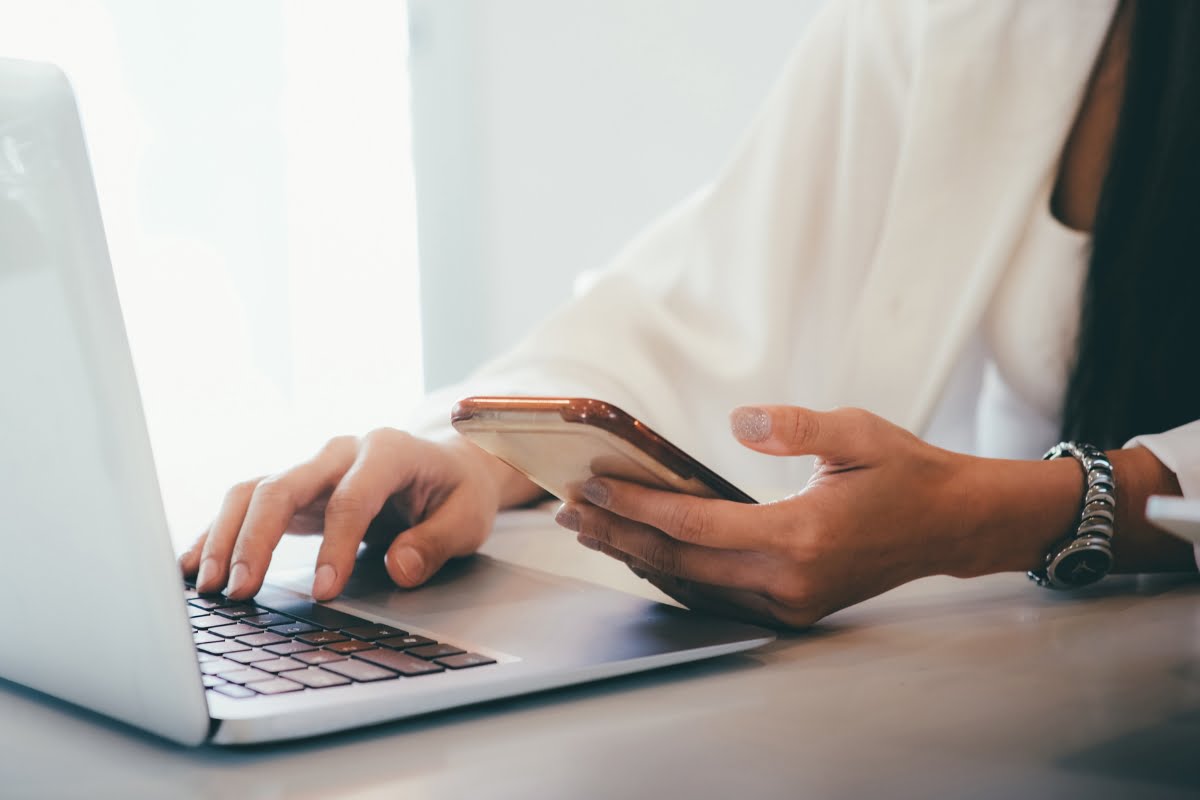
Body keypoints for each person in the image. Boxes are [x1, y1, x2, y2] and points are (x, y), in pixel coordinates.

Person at [180, 0, 1200, 628]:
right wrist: (488, 450)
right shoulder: (949, 16)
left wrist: (994, 515)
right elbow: (709, 297)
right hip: (1034, 680)